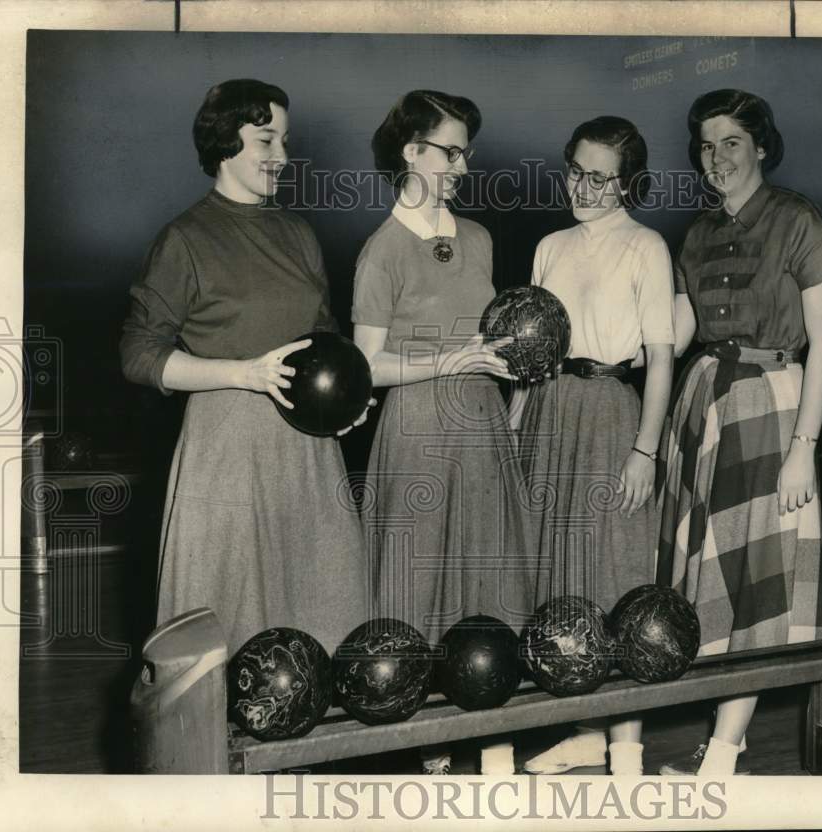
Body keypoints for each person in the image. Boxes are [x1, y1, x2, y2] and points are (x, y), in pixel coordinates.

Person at [120, 79, 371, 658]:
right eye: (266, 140)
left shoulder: (298, 234)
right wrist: (244, 374)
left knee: (325, 609)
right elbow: (138, 353)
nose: (281, 156)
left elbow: (324, 336)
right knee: (231, 624)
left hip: (307, 450)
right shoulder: (184, 238)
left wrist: (346, 404)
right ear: (224, 143)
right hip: (227, 444)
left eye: (285, 140)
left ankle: (312, 751)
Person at [655, 88, 822, 776]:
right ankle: (723, 746)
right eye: (706, 146)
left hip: (776, 407)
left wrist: (803, 449)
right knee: (713, 581)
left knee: (764, 581)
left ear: (761, 146)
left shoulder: (797, 218)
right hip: (703, 404)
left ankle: (724, 752)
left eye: (732, 142)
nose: (718, 158)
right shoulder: (697, 234)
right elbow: (674, 336)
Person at [352, 89, 534, 776]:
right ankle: (426, 755)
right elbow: (365, 364)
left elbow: (494, 339)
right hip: (418, 430)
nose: (462, 164)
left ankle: (494, 749)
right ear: (411, 150)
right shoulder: (381, 252)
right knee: (416, 589)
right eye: (450, 150)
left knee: (487, 579)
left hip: (482, 425)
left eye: (467, 152)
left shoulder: (481, 238)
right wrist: (448, 360)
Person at [515, 116, 675, 776]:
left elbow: (661, 360)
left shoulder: (647, 246)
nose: (583, 186)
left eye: (600, 176)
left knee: (617, 571)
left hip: (613, 415)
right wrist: (514, 425)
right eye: (576, 170)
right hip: (551, 413)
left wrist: (646, 450)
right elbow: (532, 352)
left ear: (627, 184)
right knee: (557, 570)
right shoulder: (550, 246)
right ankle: (581, 731)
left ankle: (627, 748)